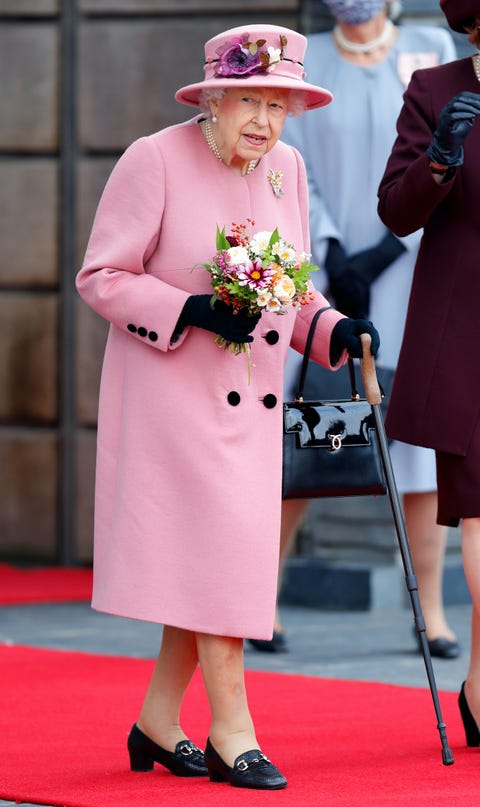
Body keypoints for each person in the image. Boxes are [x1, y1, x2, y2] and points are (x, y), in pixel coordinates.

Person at [76, 23, 380, 790]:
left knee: (213, 566)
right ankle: (233, 731)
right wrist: (192, 309)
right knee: (222, 565)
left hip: (249, 411)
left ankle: (155, 720)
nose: (265, 121)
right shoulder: (155, 159)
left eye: (279, 104)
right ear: (212, 98)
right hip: (175, 403)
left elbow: (292, 287)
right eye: (250, 99)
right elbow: (102, 275)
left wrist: (332, 325)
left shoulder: (286, 167)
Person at [250, 0, 459, 658]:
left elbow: (451, 154)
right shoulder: (304, 56)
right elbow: (290, 165)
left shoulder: (430, 49)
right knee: (316, 436)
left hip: (418, 270)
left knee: (422, 455)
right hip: (329, 279)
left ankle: (430, 613)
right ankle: (260, 601)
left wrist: (390, 248)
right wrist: (337, 252)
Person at [377, 0, 480, 746]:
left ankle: (477, 684)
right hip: (465, 329)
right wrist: (439, 159)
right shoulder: (436, 87)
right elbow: (395, 211)